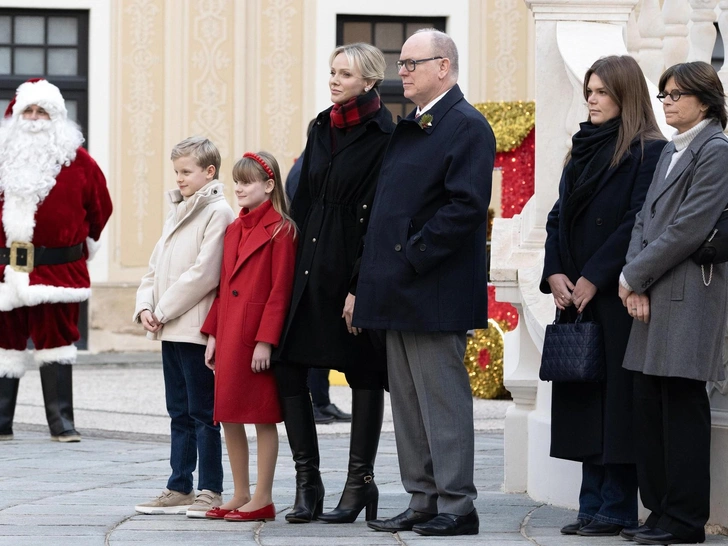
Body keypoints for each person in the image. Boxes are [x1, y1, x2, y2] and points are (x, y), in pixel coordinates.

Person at [354, 29, 494, 537]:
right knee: (409, 404)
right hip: (398, 289)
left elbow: (466, 206)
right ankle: (423, 498)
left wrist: (412, 254)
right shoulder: (412, 124)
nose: (402, 71)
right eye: (402, 63)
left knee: (443, 403)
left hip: (433, 289)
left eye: (412, 63)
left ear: (445, 66)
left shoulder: (466, 125)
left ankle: (457, 504)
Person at [539, 56, 666, 537]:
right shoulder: (581, 148)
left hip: (616, 296)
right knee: (582, 403)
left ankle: (616, 508)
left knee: (617, 406)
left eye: (601, 92)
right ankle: (590, 504)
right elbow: (556, 218)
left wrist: (595, 275)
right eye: (589, 90)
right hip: (574, 296)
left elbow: (637, 221)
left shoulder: (648, 152)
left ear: (625, 97)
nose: (590, 98)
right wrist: (554, 273)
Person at [273, 42, 394, 524]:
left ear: (369, 81)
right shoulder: (320, 126)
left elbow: (383, 218)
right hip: (307, 266)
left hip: (351, 268)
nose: (334, 80)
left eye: (344, 74)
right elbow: (300, 200)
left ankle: (359, 482)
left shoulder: (388, 134)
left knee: (364, 372)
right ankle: (308, 482)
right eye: (332, 72)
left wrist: (360, 285)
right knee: (287, 367)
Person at [618, 61, 728, 546]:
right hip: (652, 289)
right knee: (648, 404)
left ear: (704, 101)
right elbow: (645, 218)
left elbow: (690, 226)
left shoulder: (715, 150)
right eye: (663, 94)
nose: (666, 102)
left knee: (681, 405)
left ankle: (684, 522)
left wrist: (634, 274)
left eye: (675, 95)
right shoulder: (671, 151)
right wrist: (632, 279)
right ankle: (658, 512)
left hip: (690, 290)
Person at [0, 78, 112, 443]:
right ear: (16, 115)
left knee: (59, 343)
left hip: (57, 271)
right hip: (4, 271)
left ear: (57, 118)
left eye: (42, 111)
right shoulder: (2, 157)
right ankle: (1, 419)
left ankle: (62, 421)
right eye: (28, 111)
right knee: (4, 345)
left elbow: (101, 210)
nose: (34, 119)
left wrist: (79, 244)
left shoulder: (81, 164)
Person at [133, 136, 234, 517]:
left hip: (192, 328)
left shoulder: (218, 212)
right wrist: (145, 305)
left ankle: (210, 489)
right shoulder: (178, 210)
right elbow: (154, 265)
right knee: (177, 409)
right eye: (176, 171)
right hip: (169, 326)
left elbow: (204, 274)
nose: (179, 178)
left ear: (209, 172)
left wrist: (162, 308)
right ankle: (179, 486)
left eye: (186, 171)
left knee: (204, 412)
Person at [202, 151, 297, 522]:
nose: (240, 188)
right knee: (228, 414)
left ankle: (263, 497)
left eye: (248, 182)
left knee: (261, 416)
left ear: (269, 186)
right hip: (228, 334)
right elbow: (224, 287)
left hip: (254, 337)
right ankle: (240, 491)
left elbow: (280, 292)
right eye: (237, 181)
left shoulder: (281, 230)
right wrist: (212, 333)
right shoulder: (233, 229)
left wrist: (265, 341)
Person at [285, 121, 352, 426]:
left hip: (316, 259)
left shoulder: (309, 163)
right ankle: (318, 403)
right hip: (311, 260)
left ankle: (322, 401)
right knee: (315, 337)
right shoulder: (306, 168)